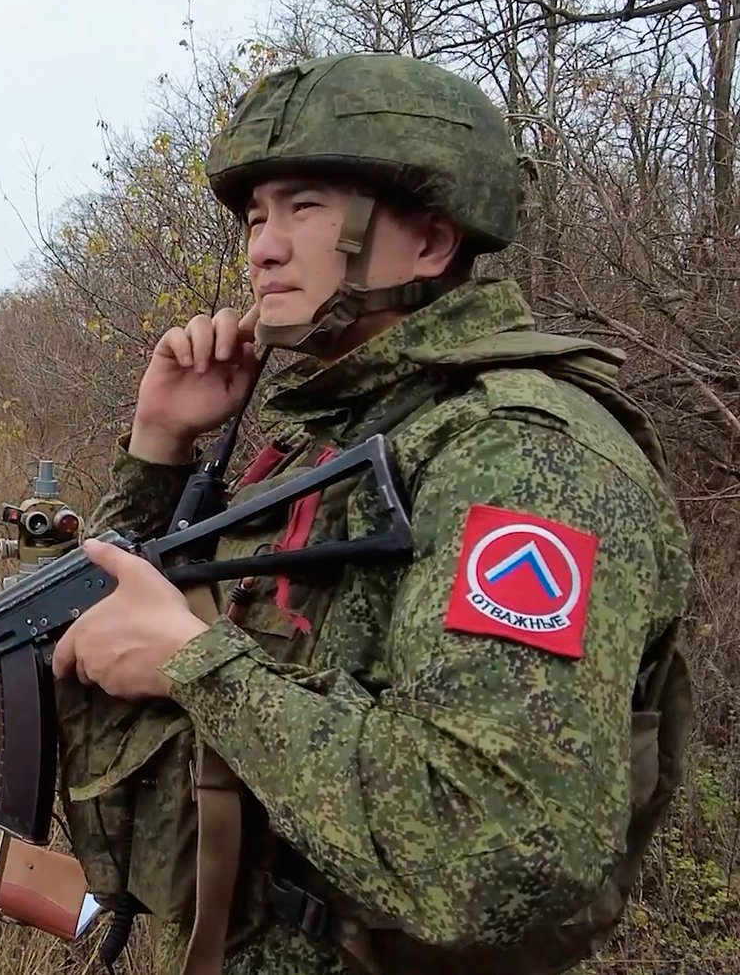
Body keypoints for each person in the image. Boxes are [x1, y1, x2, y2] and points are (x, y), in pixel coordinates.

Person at [48, 52, 694, 975]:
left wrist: (199, 666)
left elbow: (496, 846)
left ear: (429, 243)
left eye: (305, 208)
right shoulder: (341, 431)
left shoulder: (521, 456)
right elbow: (118, 615)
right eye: (257, 215)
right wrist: (158, 448)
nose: (262, 245)